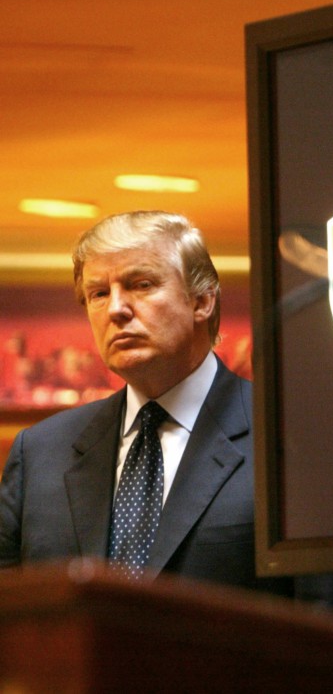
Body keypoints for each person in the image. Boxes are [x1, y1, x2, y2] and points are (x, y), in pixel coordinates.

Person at [0, 210, 289, 595]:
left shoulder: (287, 436)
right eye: (99, 294)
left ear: (202, 301)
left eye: (141, 284)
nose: (116, 309)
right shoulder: (40, 452)